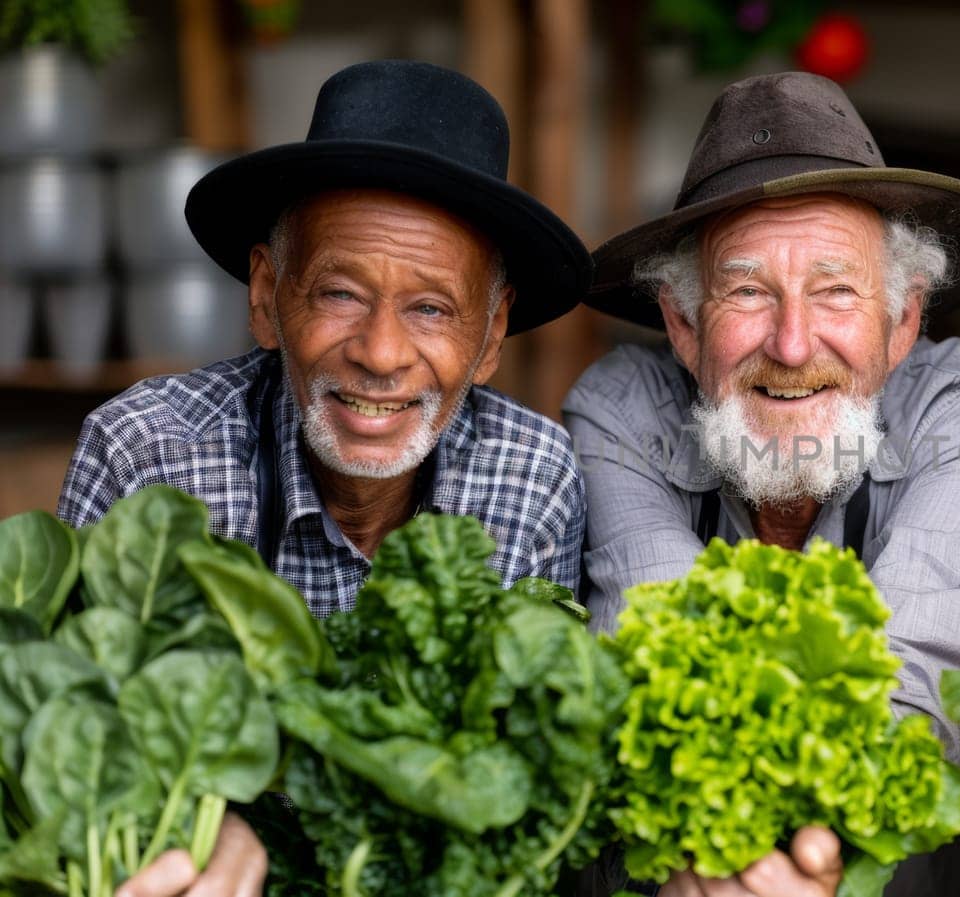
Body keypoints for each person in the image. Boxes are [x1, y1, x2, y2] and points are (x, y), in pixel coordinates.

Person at [58, 60, 591, 897]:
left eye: (431, 308)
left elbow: (527, 778)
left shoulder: (534, 478)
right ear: (268, 296)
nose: (380, 353)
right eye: (339, 292)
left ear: (491, 339)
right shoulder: (145, 454)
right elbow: (68, 735)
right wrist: (189, 804)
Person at [564, 72, 960, 896]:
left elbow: (915, 678)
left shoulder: (959, 407)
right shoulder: (618, 410)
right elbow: (656, 651)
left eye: (837, 289)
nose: (793, 341)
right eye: (747, 291)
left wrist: (792, 863)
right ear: (683, 323)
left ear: (904, 320)